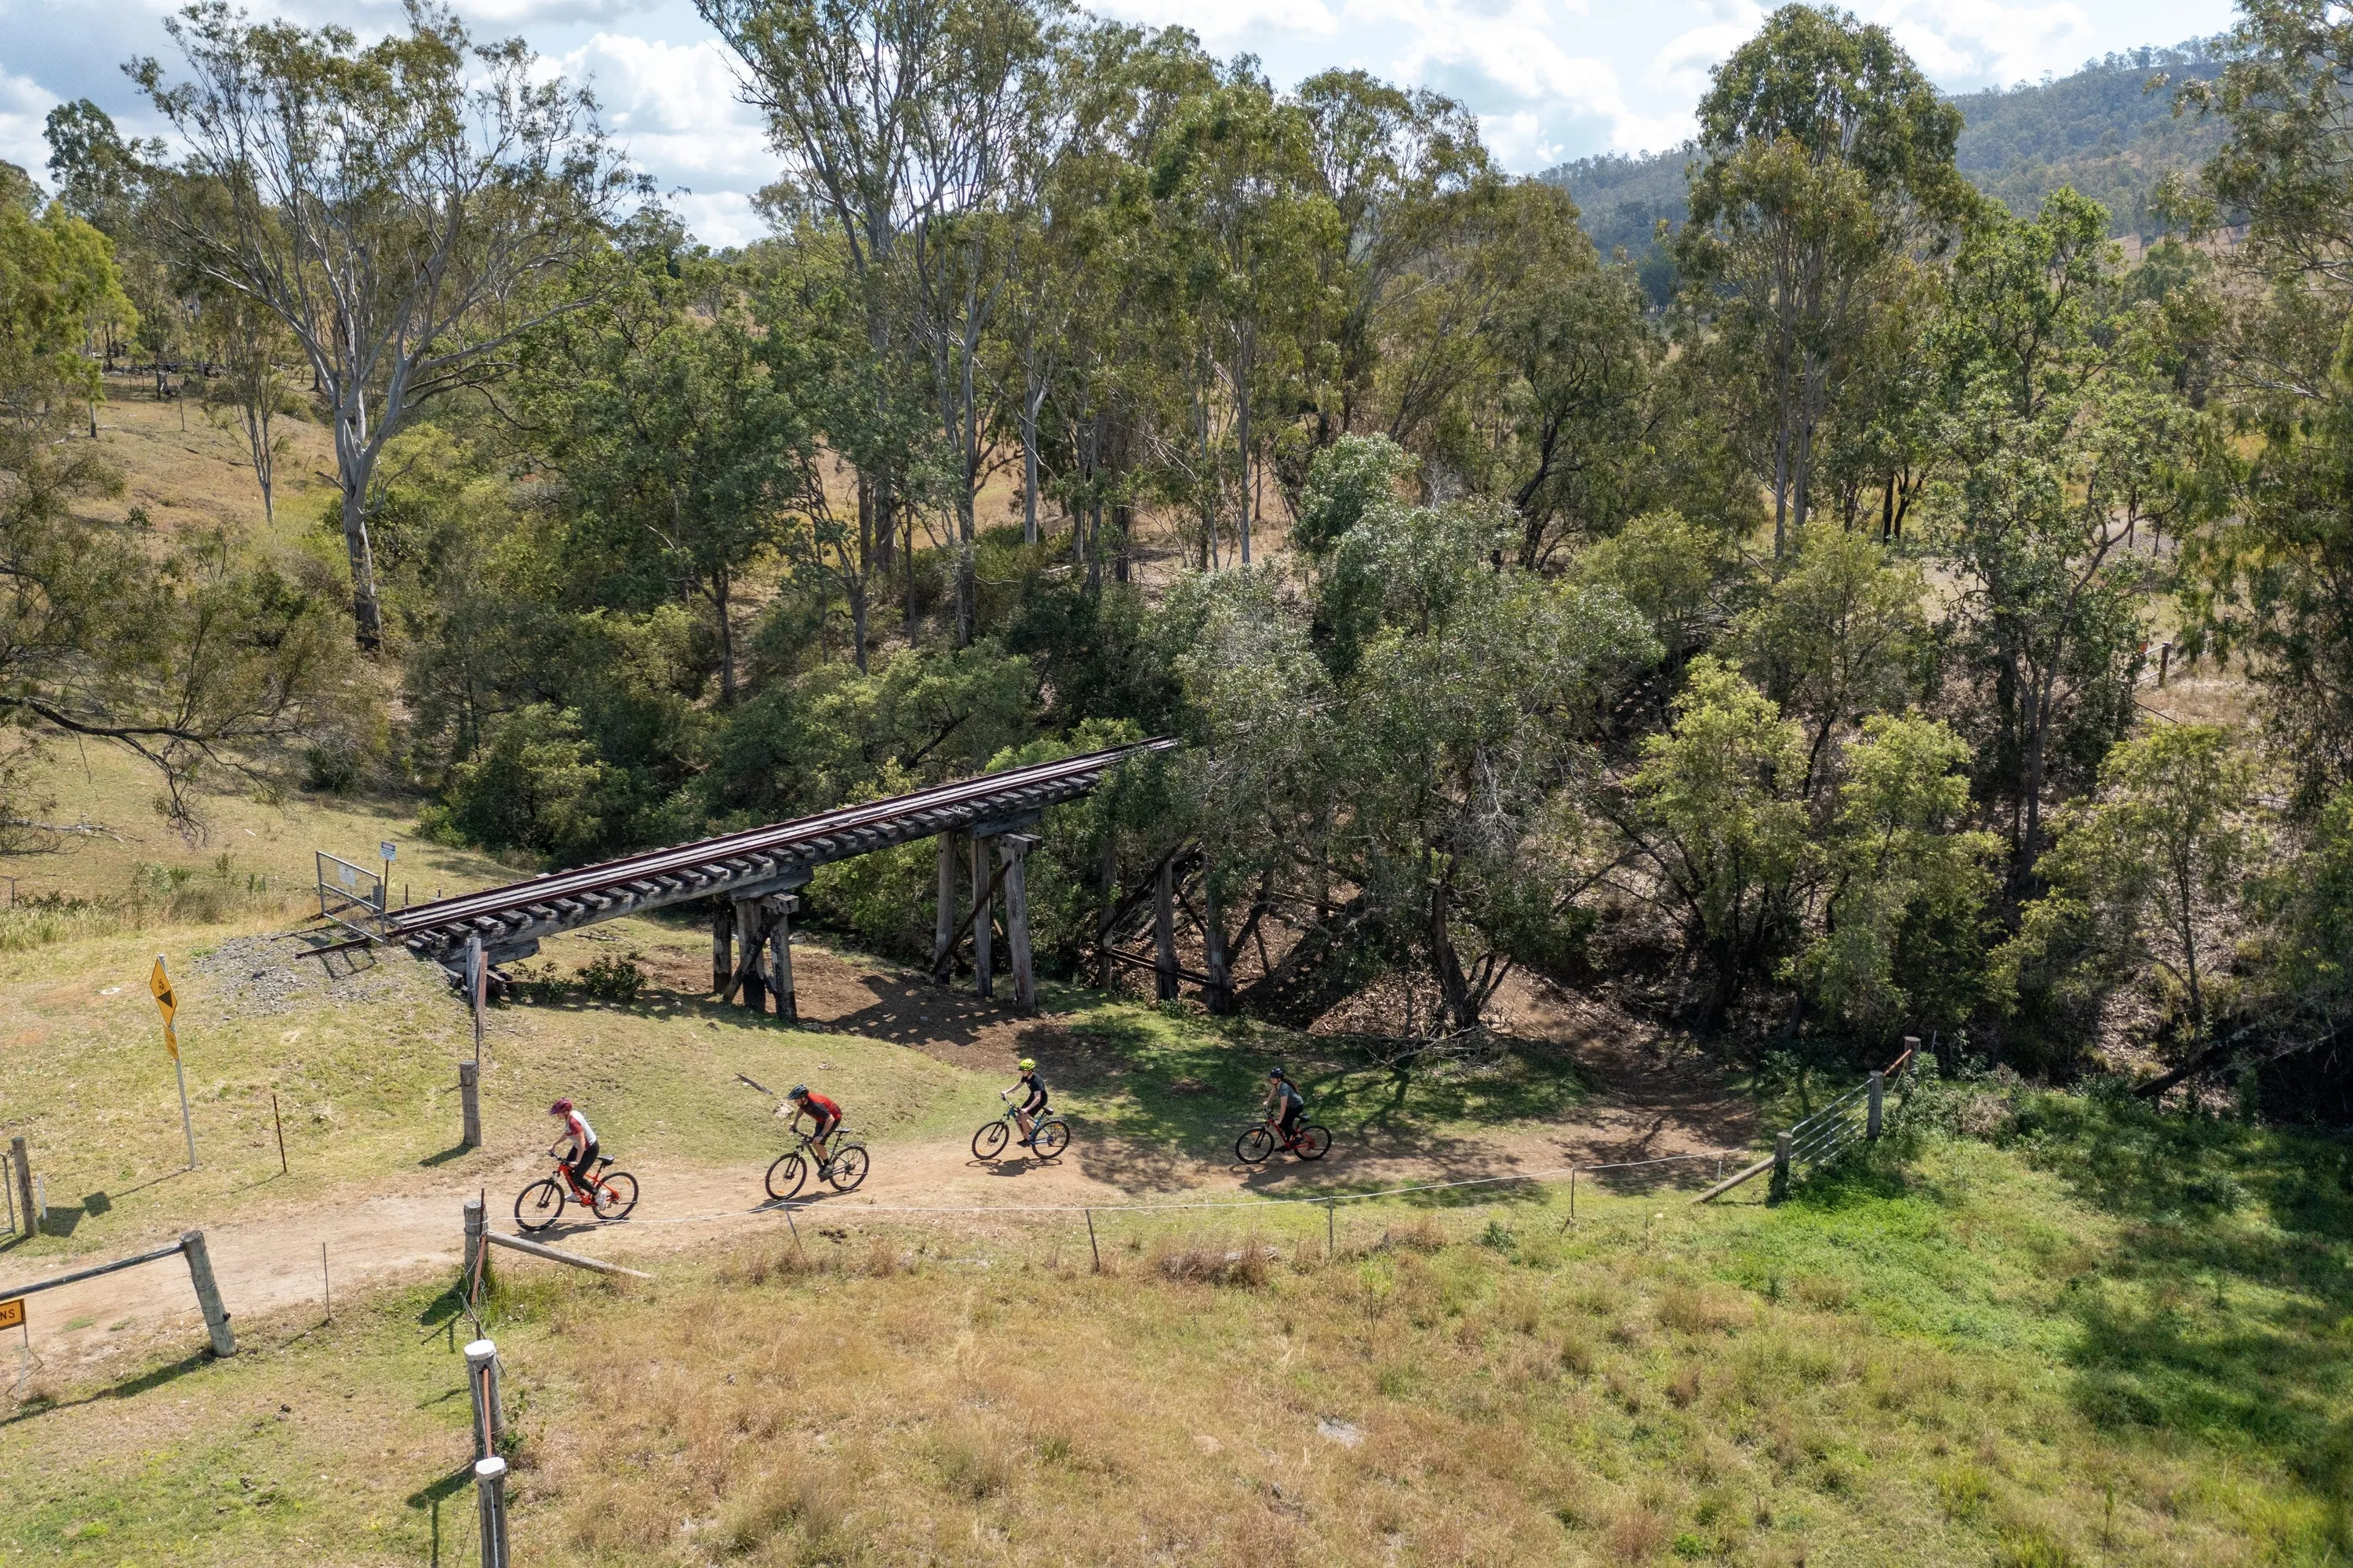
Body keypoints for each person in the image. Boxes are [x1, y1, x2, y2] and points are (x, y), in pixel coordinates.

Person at [785, 1084, 844, 1172]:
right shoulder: (804, 1101)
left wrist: (822, 1135)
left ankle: (828, 1166)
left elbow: (830, 1119)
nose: (795, 1102)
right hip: (822, 1119)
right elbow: (802, 1109)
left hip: (833, 1118)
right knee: (815, 1141)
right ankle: (824, 1159)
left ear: (803, 1098)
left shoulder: (817, 1105)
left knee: (817, 1142)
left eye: (796, 1099)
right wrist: (795, 1122)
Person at [547, 1098, 599, 1190]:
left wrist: (577, 1161)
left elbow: (582, 1141)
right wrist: (554, 1144)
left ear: (566, 1112)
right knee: (566, 1169)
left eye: (558, 1113)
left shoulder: (573, 1122)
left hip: (590, 1149)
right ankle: (575, 1194)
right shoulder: (570, 1117)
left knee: (577, 1178)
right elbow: (567, 1133)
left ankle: (598, 1195)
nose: (557, 1115)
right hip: (578, 1147)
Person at [1001, 1058, 1049, 1146]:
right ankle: (1032, 1132)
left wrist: (1027, 1109)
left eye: (1024, 1070)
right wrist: (1006, 1091)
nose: (1022, 1072)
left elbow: (1038, 1098)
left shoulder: (1037, 1081)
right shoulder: (1026, 1076)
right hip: (1033, 1097)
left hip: (1040, 1101)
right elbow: (1019, 1084)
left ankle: (1027, 1140)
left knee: (1023, 1119)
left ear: (1030, 1071)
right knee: (1019, 1117)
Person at [1263, 1068, 1306, 1147]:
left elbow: (1283, 1105)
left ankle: (1299, 1137)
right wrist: (1267, 1101)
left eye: (1273, 1077)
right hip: (1291, 1106)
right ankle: (1288, 1144)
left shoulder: (1284, 1088)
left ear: (1279, 1079)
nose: (1271, 1079)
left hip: (1297, 1106)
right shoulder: (1277, 1084)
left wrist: (1280, 1120)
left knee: (1284, 1124)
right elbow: (1274, 1091)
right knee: (1284, 1125)